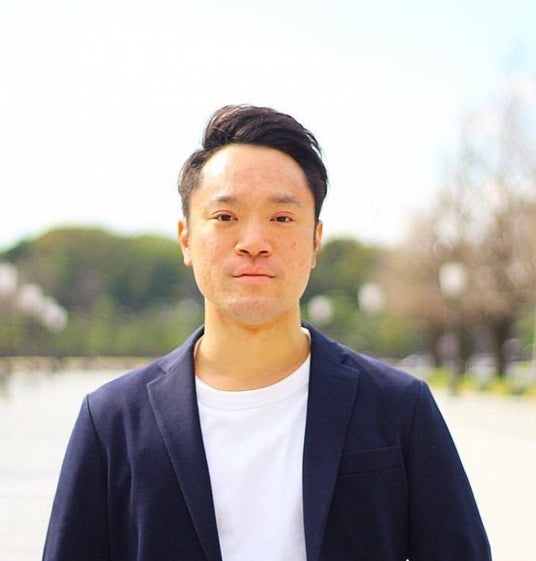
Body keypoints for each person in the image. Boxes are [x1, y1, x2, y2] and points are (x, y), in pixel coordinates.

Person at [42, 105, 491, 561]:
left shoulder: (398, 408)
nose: (253, 242)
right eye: (225, 217)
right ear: (186, 239)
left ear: (315, 240)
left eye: (281, 218)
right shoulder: (113, 421)